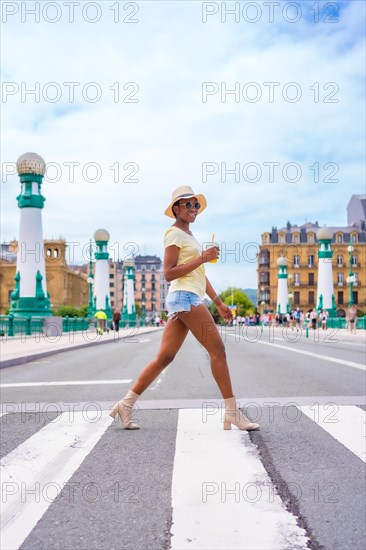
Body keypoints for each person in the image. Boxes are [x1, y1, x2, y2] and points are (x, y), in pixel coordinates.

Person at [110, 186, 259, 431]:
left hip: (186, 297)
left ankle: (125, 404)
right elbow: (168, 273)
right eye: (187, 205)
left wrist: (219, 303)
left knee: (164, 357)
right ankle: (232, 412)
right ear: (175, 209)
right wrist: (201, 258)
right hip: (185, 297)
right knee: (218, 350)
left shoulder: (190, 237)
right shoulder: (173, 234)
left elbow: (200, 274)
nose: (193, 209)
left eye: (196, 205)